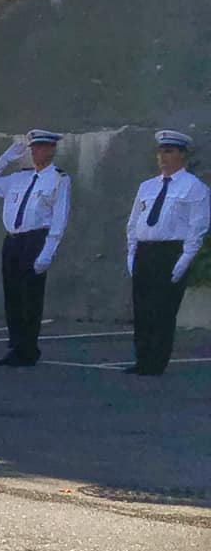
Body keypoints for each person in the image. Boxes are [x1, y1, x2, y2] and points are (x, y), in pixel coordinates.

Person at [0, 128, 70, 367]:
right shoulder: (20, 178)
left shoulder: (58, 179)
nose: (36, 152)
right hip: (13, 240)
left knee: (30, 297)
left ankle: (28, 349)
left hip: (35, 240)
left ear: (51, 150)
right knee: (13, 295)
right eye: (33, 148)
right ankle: (15, 346)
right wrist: (6, 158)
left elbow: (59, 218)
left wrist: (48, 252)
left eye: (41, 148)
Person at [125, 130, 206, 377]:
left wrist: (184, 259)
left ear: (182, 155)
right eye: (160, 151)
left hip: (170, 251)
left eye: (169, 151)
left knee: (163, 309)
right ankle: (142, 359)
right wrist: (132, 253)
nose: (162, 157)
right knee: (142, 308)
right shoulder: (147, 186)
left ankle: (156, 361)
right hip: (145, 250)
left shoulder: (194, 187)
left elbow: (197, 228)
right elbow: (133, 222)